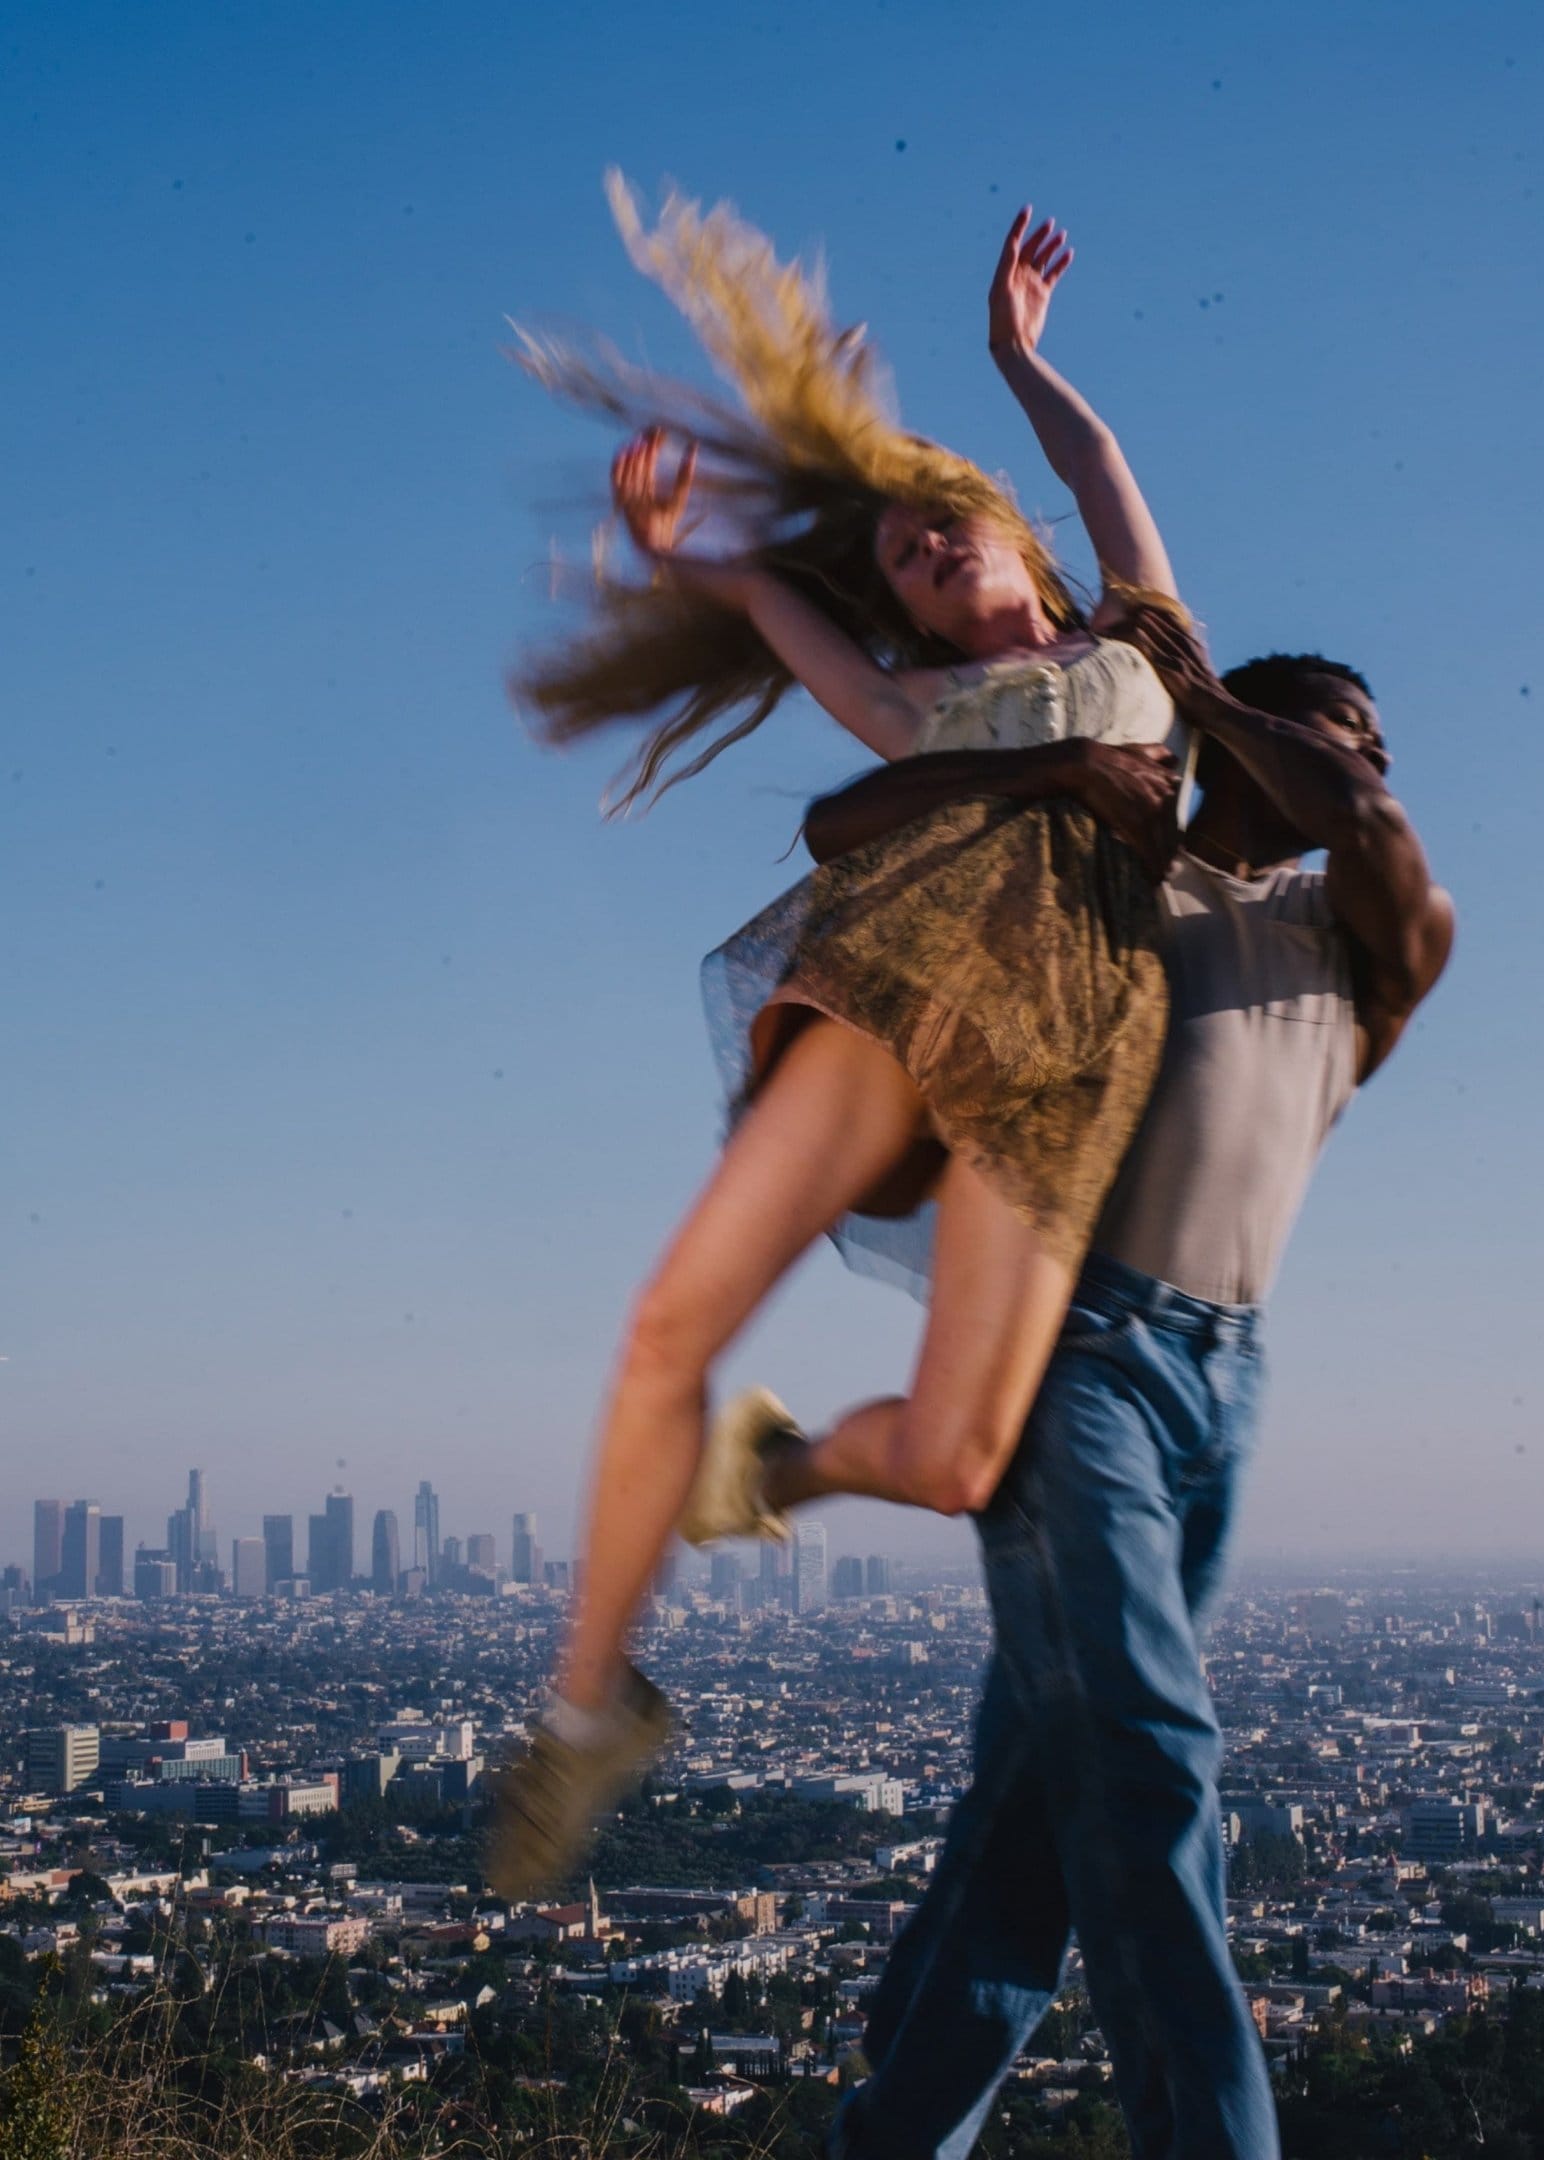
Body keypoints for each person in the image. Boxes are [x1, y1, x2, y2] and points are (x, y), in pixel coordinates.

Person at [487, 187, 1207, 1900]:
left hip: (1073, 1056)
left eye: (937, 523)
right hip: (913, 984)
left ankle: (775, 1468)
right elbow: (772, 612)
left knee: (963, 1462)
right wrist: (690, 564)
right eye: (892, 557)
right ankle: (588, 1709)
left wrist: (1019, 364)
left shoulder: (1146, 642)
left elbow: (1103, 469)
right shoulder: (920, 710)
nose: (918, 551)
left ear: (1006, 536)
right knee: (673, 1322)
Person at [811, 607, 1454, 2156]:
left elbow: (1363, 815)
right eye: (1327, 725)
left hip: (1222, 1383)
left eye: (1365, 737)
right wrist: (1068, 756)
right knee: (1155, 1757)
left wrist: (1213, 697)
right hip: (1074, 1352)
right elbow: (844, 826)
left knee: (1039, 1814)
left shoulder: (1368, 944)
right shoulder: (1107, 890)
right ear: (1238, 741)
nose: (1359, 760)